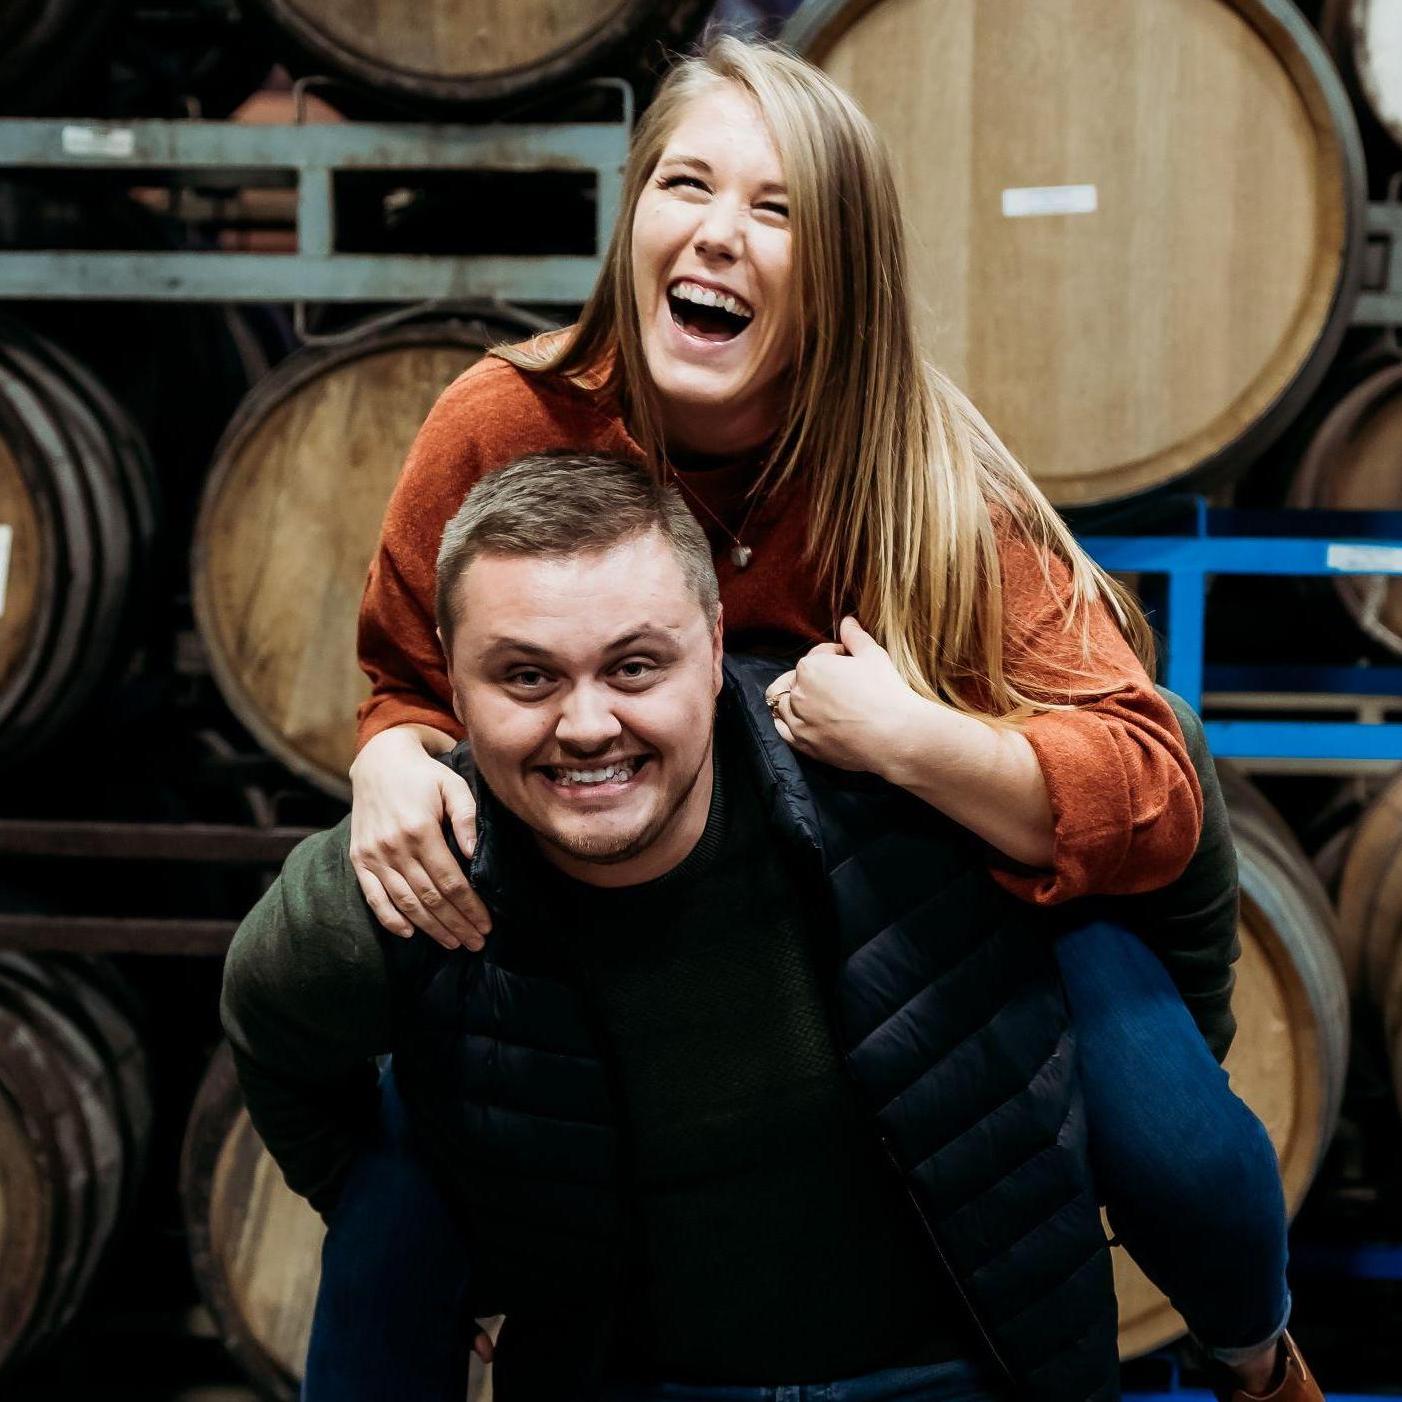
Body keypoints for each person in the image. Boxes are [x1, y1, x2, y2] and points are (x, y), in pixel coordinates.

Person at [344, 35, 1311, 1402]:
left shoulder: (917, 468)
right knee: (397, 1213)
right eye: (686, 184)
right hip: (606, 919)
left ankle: (1257, 1363)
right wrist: (385, 760)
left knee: (1185, 1156)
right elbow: (399, 676)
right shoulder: (505, 425)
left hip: (940, 921)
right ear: (634, 217)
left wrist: (908, 736)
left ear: (840, 267)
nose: (717, 235)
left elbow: (1151, 784)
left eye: (778, 208)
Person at [229, 452, 1238, 1402]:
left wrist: (1152, 1082)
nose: (585, 726)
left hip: (959, 1374)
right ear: (450, 680)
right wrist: (443, 1239)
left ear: (715, 646)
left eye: (633, 667)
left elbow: (1168, 780)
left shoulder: (896, 778)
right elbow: (269, 1024)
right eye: (527, 677)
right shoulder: (412, 871)